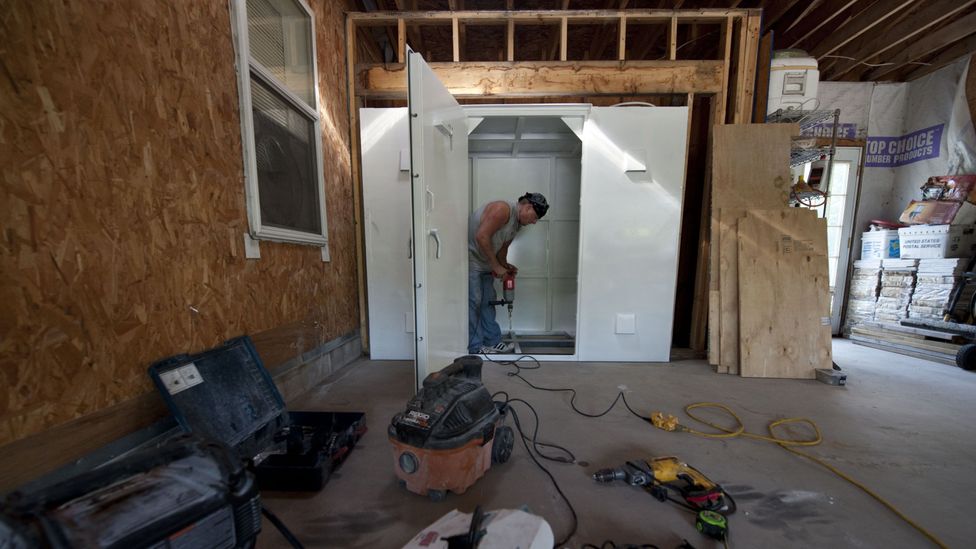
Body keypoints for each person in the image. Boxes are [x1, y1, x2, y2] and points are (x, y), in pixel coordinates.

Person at [468, 192, 549, 354]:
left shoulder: (517, 224)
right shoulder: (502, 209)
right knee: (474, 302)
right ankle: (475, 347)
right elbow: (482, 236)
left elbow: (502, 250)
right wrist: (496, 266)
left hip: (485, 264)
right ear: (528, 207)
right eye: (535, 217)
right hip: (473, 262)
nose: (534, 222)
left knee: (488, 302)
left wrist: (505, 265)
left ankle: (492, 341)